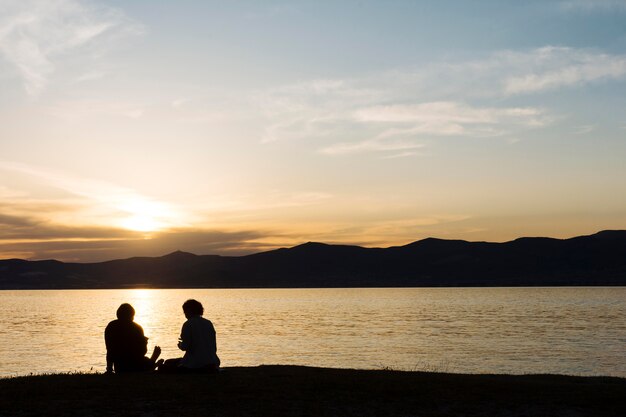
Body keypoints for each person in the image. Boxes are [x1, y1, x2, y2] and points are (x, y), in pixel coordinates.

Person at [158, 299, 220, 373]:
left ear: (189, 311)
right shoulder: (208, 323)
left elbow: (185, 347)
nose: (185, 314)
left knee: (167, 364)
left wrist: (180, 344)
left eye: (185, 312)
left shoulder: (188, 324)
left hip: (194, 364)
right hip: (212, 362)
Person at [104, 303, 161, 373]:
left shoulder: (111, 326)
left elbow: (109, 350)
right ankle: (152, 362)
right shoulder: (137, 328)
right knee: (144, 361)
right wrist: (145, 343)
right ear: (131, 315)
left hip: (119, 367)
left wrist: (109, 368)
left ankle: (151, 364)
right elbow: (143, 351)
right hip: (136, 364)